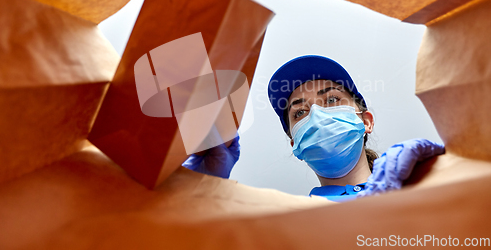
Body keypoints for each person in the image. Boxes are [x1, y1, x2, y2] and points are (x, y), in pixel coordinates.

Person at [183, 55, 445, 201]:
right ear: (295, 145)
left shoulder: (425, 184)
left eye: (332, 100)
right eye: (300, 112)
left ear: (365, 121)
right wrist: (195, 192)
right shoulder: (291, 225)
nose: (318, 114)